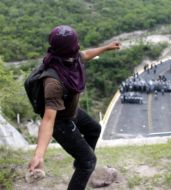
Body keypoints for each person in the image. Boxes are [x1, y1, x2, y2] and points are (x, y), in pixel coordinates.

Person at [28, 25, 120, 190]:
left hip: (70, 111)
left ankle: (81, 167)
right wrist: (39, 155)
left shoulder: (69, 57)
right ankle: (85, 166)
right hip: (59, 122)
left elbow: (85, 55)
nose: (77, 47)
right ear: (70, 47)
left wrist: (105, 48)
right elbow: (48, 120)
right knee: (89, 161)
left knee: (94, 129)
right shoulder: (53, 82)